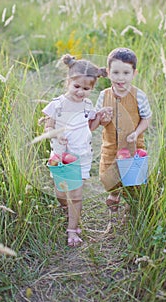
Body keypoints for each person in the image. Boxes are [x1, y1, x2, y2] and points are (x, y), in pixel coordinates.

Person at [40, 54, 111, 247]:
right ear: (68, 82)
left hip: (81, 157)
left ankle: (72, 228)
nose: (81, 92)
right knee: (62, 193)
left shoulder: (88, 105)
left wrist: (101, 118)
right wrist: (56, 133)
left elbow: (89, 128)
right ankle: (66, 207)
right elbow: (47, 127)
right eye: (77, 86)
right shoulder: (57, 105)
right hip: (60, 156)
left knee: (76, 195)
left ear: (92, 88)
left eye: (86, 88)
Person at [92, 47, 152, 212]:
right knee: (108, 174)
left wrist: (136, 132)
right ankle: (114, 193)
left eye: (126, 73)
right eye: (116, 72)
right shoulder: (104, 95)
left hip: (133, 144)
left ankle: (132, 203)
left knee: (133, 176)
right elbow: (96, 123)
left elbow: (147, 118)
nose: (121, 78)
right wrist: (101, 119)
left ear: (134, 73)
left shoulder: (139, 95)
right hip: (110, 145)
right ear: (108, 73)